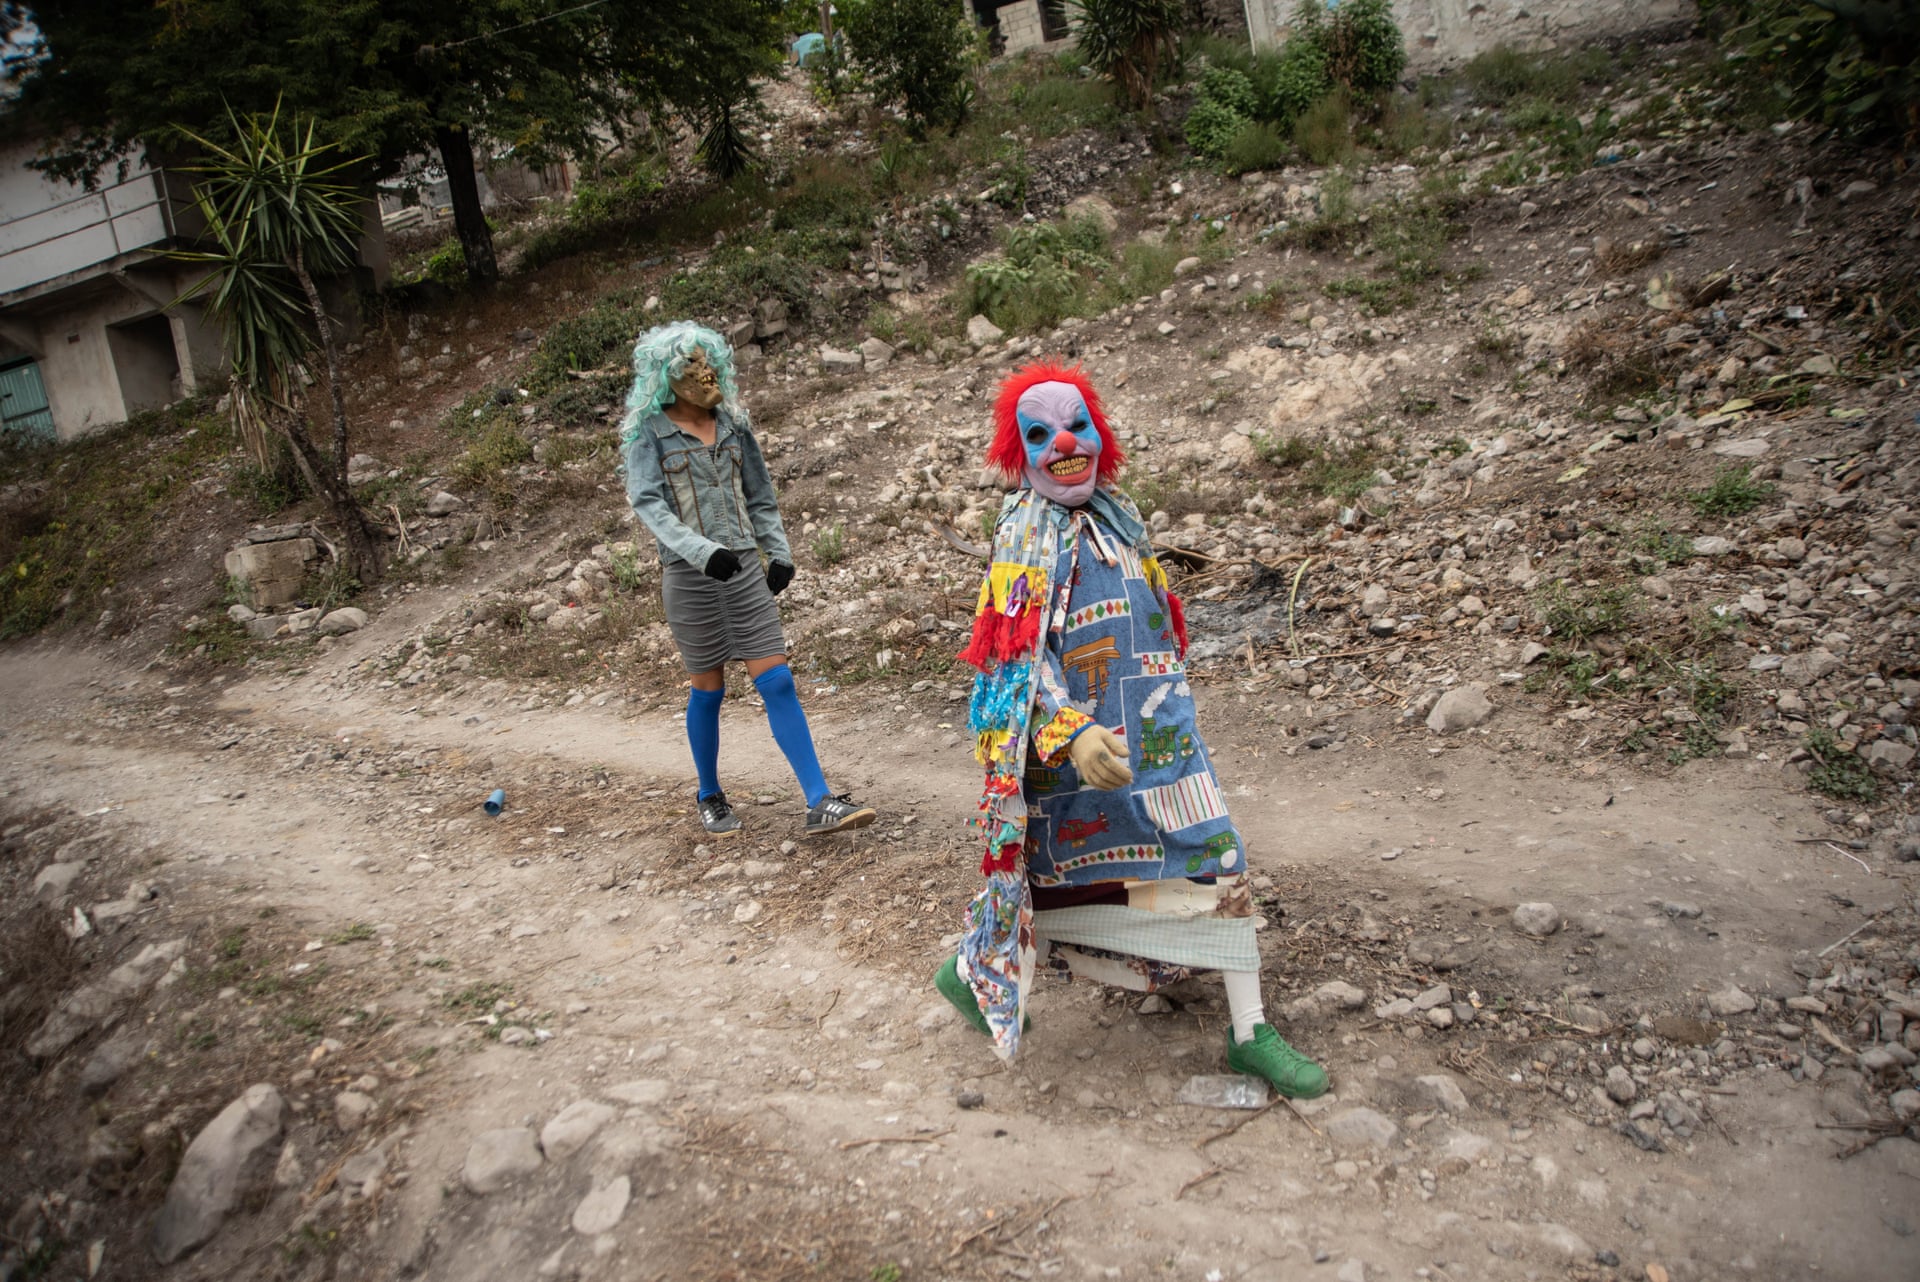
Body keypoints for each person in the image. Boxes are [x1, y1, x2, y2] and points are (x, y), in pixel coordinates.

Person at [934, 360, 1328, 1099]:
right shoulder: (1022, 533)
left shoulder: (1121, 514)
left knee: (1216, 854)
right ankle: (970, 969)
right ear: (1021, 451)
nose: (1064, 444)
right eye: (1041, 432)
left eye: (1077, 425)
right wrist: (1073, 732)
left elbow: (1154, 615)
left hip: (1159, 740)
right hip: (1075, 759)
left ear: (1100, 434)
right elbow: (1012, 661)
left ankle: (1251, 1033)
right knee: (1059, 887)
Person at [620, 321, 875, 839]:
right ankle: (709, 793)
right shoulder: (651, 433)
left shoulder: (734, 427)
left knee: (777, 678)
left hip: (741, 571)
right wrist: (698, 550)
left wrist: (777, 552)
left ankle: (819, 799)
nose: (706, 371)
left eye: (708, 360)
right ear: (667, 377)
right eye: (691, 365)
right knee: (708, 687)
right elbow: (648, 502)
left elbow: (760, 495)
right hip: (689, 577)